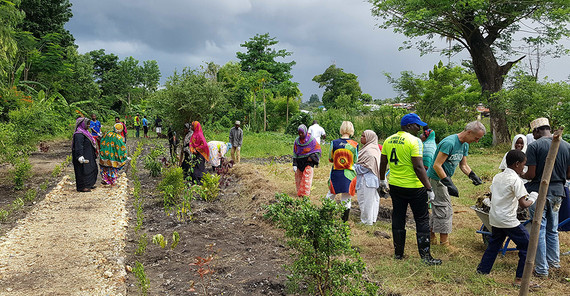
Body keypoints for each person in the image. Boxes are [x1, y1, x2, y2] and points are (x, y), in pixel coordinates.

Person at [379, 113, 441, 265]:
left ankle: (398, 254)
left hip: (395, 185)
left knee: (398, 217)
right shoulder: (415, 141)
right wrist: (429, 188)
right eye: (416, 125)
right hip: (414, 187)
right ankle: (426, 257)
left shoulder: (388, 140)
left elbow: (383, 162)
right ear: (408, 126)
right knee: (422, 219)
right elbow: (419, 166)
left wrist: (382, 180)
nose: (419, 127)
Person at [476, 149, 539, 288]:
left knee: (494, 245)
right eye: (523, 164)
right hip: (508, 220)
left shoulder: (498, 177)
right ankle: (520, 279)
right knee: (528, 245)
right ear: (517, 164)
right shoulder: (515, 180)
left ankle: (482, 271)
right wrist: (533, 197)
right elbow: (523, 204)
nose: (524, 167)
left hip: (495, 217)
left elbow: (492, 195)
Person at [521, 117, 570, 277]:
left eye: (533, 133)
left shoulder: (535, 146)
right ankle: (554, 263)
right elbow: (569, 174)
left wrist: (522, 174)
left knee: (540, 229)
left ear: (536, 131)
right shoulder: (567, 146)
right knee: (552, 229)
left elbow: (532, 174)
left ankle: (542, 269)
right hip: (558, 192)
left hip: (539, 192)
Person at [427, 121, 485, 250]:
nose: (476, 141)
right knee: (444, 209)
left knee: (438, 206)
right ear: (469, 132)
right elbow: (437, 165)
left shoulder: (464, 145)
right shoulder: (450, 143)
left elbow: (463, 165)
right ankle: (444, 243)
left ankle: (430, 236)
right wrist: (448, 183)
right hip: (436, 178)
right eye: (476, 138)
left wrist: (472, 175)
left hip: (443, 178)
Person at [326, 121, 358, 222]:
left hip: (336, 172)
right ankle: (344, 221)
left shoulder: (334, 143)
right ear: (351, 130)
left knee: (331, 194)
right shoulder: (354, 144)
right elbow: (355, 160)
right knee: (346, 197)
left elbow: (330, 158)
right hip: (349, 174)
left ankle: (327, 216)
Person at [354, 130, 381, 225]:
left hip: (367, 180)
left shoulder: (370, 151)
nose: (361, 138)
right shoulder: (369, 148)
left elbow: (365, 168)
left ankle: (366, 221)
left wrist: (352, 166)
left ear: (370, 138)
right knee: (371, 200)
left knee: (366, 201)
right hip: (368, 179)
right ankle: (370, 219)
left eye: (363, 136)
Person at [293, 124, 321, 197]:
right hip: (300, 161)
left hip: (308, 161)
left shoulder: (311, 140)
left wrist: (312, 158)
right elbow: (295, 152)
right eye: (299, 133)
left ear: (305, 132)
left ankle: (305, 194)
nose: (301, 134)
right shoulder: (297, 141)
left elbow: (318, 150)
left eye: (302, 133)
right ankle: (299, 193)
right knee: (299, 178)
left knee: (306, 178)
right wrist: (294, 164)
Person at [72, 117, 99, 192]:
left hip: (89, 154)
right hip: (82, 155)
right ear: (82, 124)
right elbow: (78, 146)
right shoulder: (79, 134)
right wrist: (80, 156)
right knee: (82, 170)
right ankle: (82, 187)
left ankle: (89, 184)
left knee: (91, 168)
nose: (88, 126)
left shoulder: (86, 133)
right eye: (87, 124)